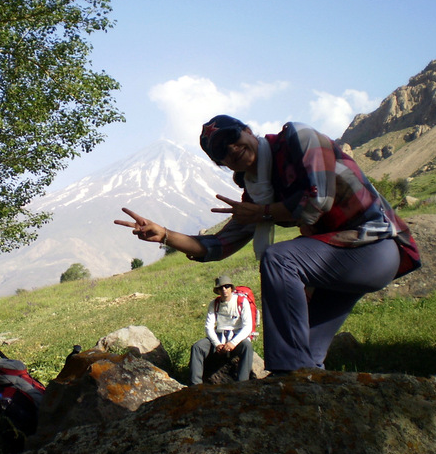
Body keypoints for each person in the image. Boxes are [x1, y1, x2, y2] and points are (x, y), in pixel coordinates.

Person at [115, 115, 420, 374]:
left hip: (375, 246)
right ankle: (304, 394)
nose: (232, 148)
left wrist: (263, 212)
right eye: (221, 150)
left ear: (248, 131)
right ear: (220, 163)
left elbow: (317, 201)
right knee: (308, 351)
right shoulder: (260, 189)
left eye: (233, 137)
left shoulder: (299, 139)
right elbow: (219, 245)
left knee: (280, 259)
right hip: (341, 259)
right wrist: (165, 234)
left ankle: (285, 374)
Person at [190, 275, 253, 384]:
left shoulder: (242, 302)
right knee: (197, 347)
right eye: (221, 288)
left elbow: (248, 326)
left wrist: (233, 343)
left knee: (247, 346)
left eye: (227, 286)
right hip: (219, 337)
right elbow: (209, 327)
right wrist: (217, 344)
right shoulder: (214, 304)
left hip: (236, 338)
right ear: (217, 290)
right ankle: (195, 386)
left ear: (231, 288)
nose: (224, 290)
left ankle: (242, 384)